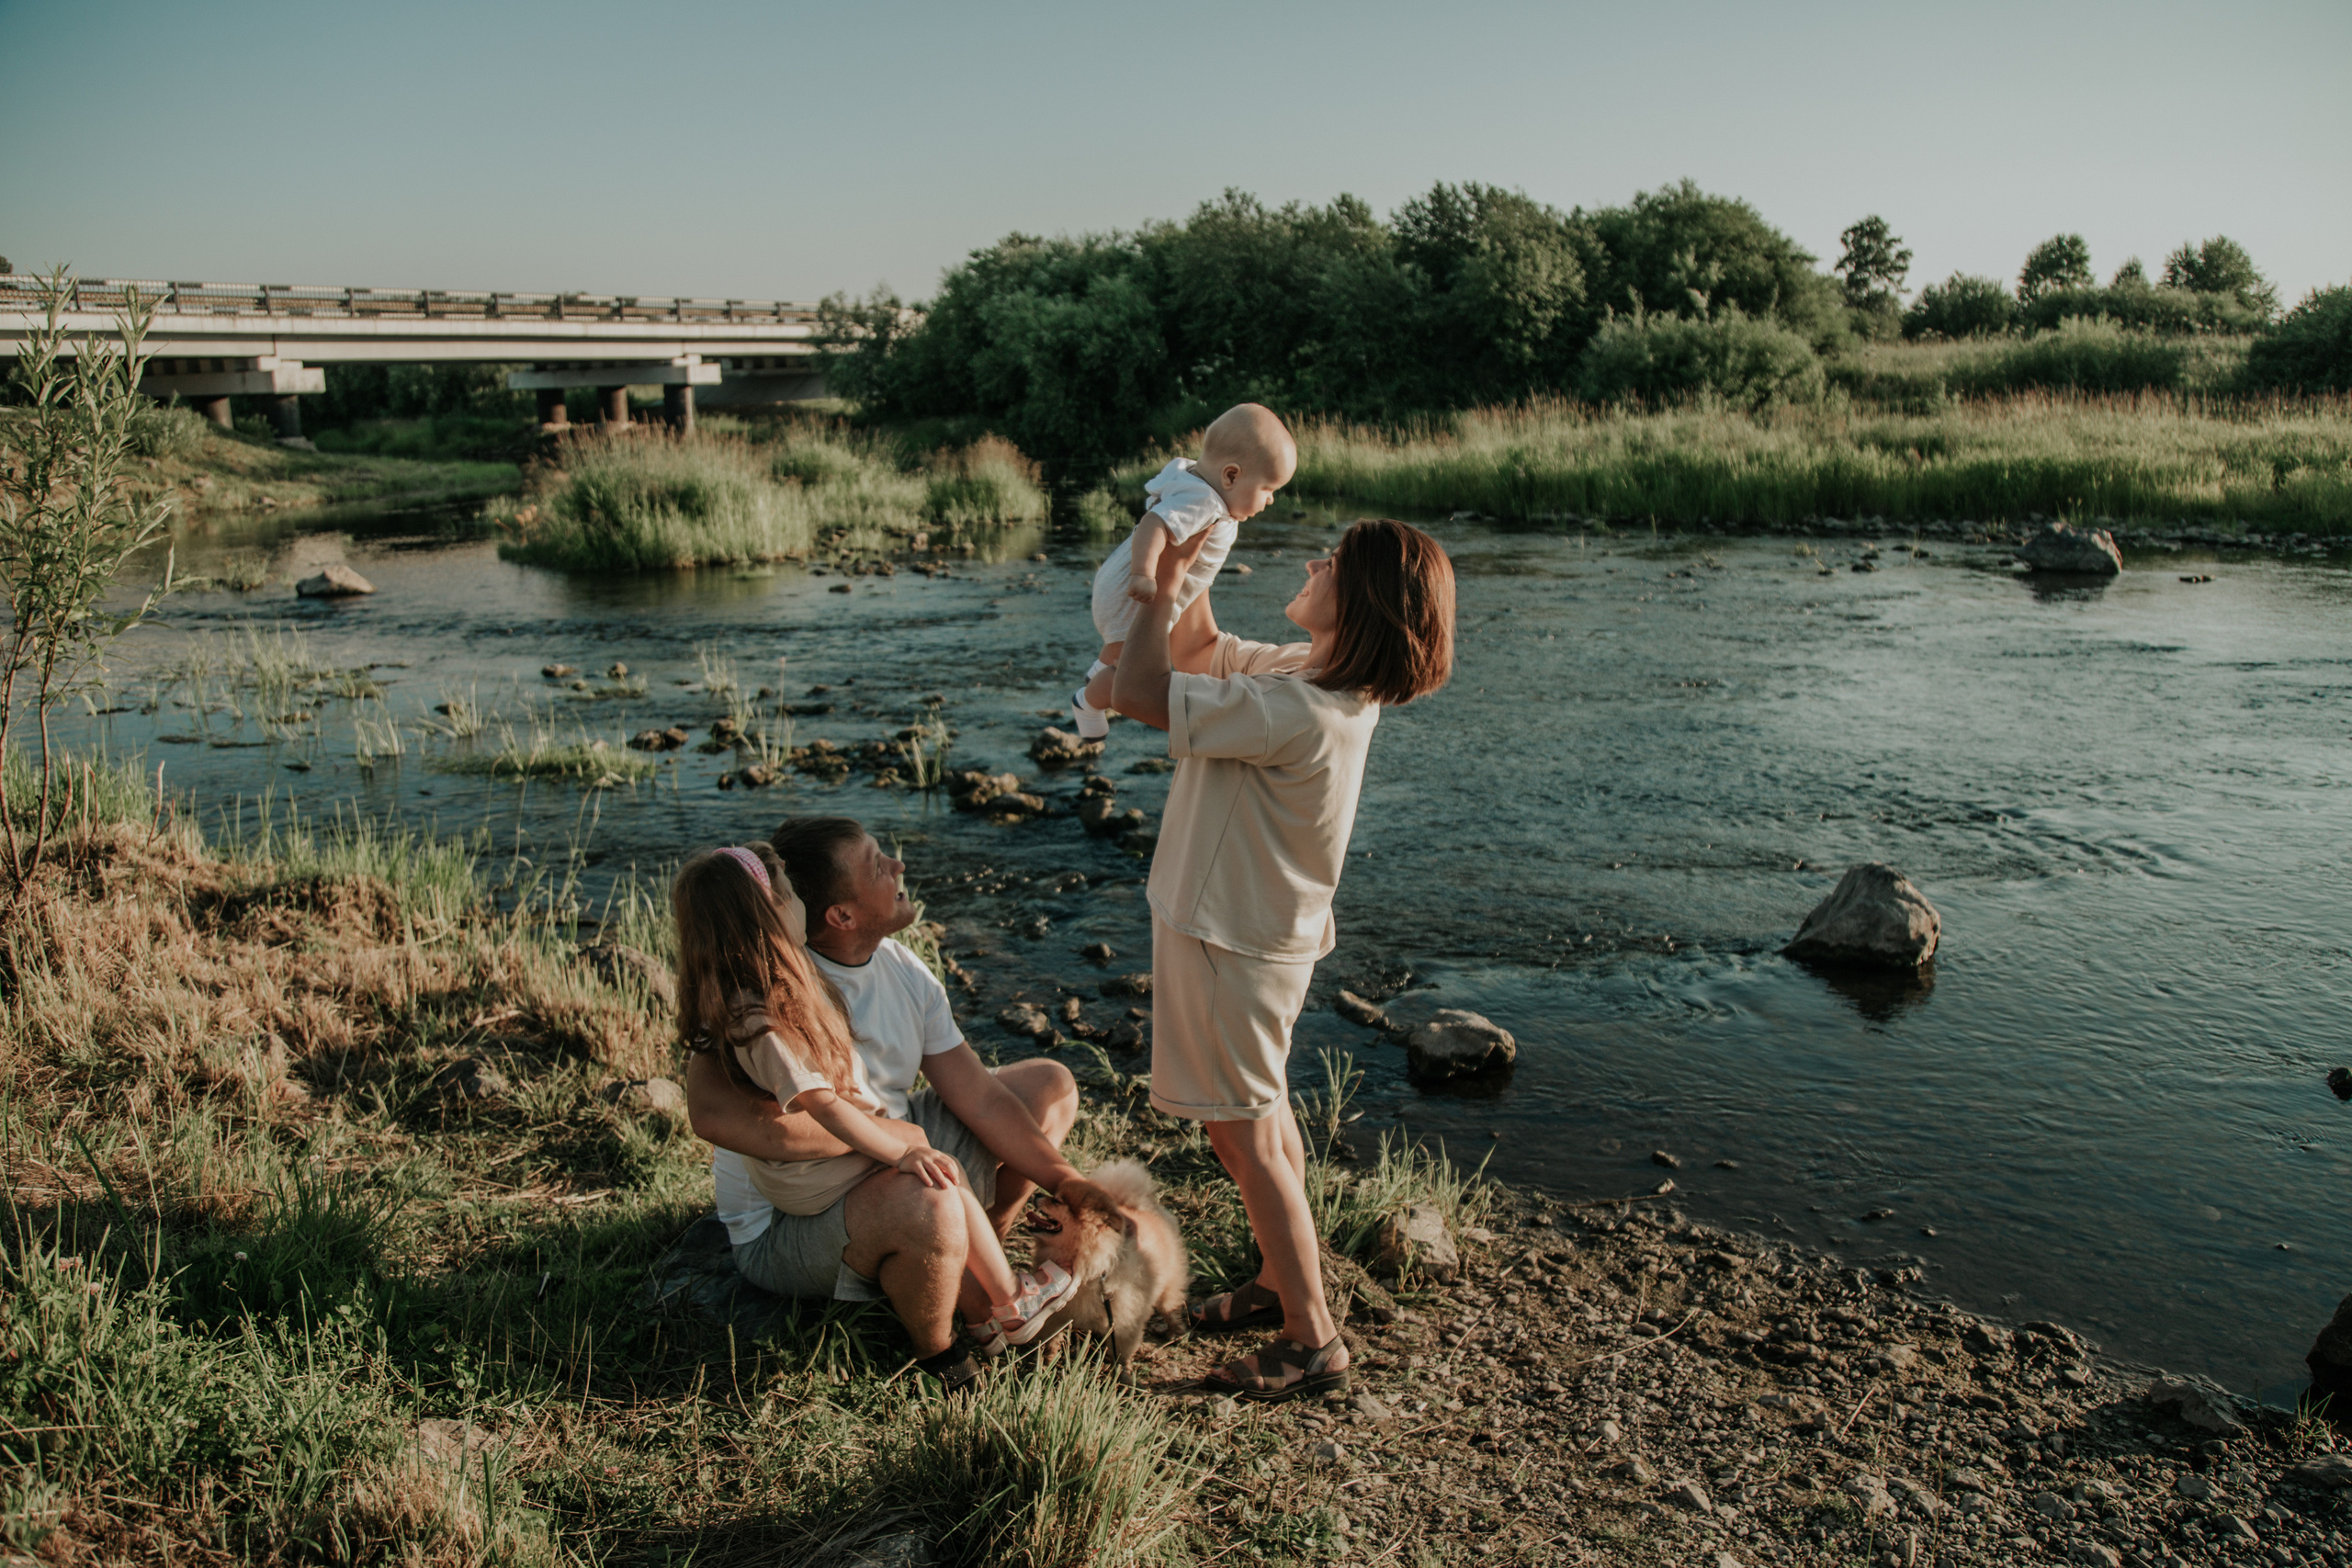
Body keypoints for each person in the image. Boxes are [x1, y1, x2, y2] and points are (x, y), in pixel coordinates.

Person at [1113, 517, 1455, 1403]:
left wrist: (1149, 585)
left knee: (1246, 1133)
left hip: (1233, 942)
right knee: (1255, 1122)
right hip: (1248, 934)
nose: (1312, 562)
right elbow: (1201, 648)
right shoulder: (1307, 680)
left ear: (1366, 601)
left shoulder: (1296, 707)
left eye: (1333, 562)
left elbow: (1145, 686)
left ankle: (1313, 1340)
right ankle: (1278, 1277)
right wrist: (1190, 568)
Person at [684, 818, 1116, 1389]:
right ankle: (945, 1343)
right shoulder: (767, 986)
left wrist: (1067, 1181)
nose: (899, 867)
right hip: (792, 1217)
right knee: (932, 1194)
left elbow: (981, 1097)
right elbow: (722, 1116)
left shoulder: (897, 964)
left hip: (879, 1148)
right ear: (839, 915)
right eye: (877, 863)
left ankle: (968, 1258)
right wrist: (897, 1143)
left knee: (1048, 1087)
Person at [1068, 403, 1297, 740]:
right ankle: (1088, 702)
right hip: (1131, 594)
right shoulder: (1204, 502)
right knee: (1132, 674)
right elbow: (1152, 524)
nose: (1272, 500)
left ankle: (1097, 671)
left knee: (1121, 648)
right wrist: (1144, 574)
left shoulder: (1196, 484)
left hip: (1118, 590)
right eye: (1268, 489)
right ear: (1231, 476)